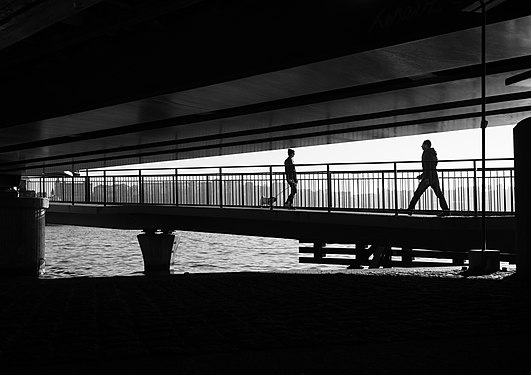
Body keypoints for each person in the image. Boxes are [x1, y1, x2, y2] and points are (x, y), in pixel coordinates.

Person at [407, 140, 450, 216]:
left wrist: (425, 177)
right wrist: (423, 175)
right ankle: (446, 210)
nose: (422, 146)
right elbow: (431, 166)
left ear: (426, 145)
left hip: (428, 178)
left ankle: (410, 210)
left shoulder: (426, 153)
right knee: (439, 194)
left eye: (423, 145)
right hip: (433, 177)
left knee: (417, 193)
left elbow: (427, 166)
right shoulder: (433, 154)